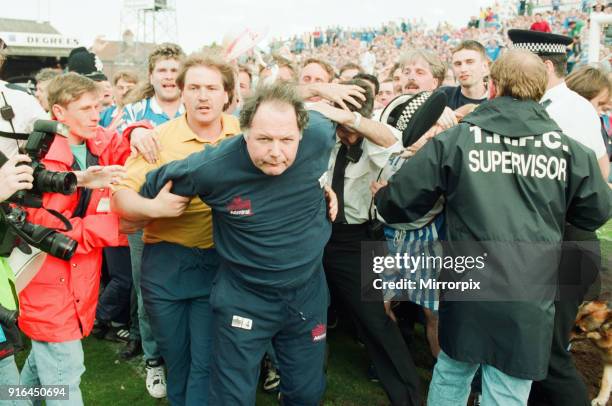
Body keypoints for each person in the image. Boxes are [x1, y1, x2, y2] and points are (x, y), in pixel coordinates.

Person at [374, 49, 611, 406]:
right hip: (530, 288)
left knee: (454, 371)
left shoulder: (456, 140)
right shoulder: (568, 150)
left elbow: (400, 202)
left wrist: (383, 197)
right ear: (539, 89)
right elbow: (596, 212)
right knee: (507, 387)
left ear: (494, 86)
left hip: (469, 282)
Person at [138, 82, 337, 406]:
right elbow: (149, 186)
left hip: (306, 294)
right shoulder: (211, 167)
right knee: (232, 397)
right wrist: (151, 207)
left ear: (301, 133)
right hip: (245, 298)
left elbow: (330, 124)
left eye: (287, 140)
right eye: (264, 139)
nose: (276, 151)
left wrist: (325, 188)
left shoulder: (318, 134)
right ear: (244, 132)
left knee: (307, 392)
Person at [111, 52, 240, 405]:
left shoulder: (243, 136)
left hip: (219, 263)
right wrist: (155, 208)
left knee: (205, 360)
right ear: (181, 93)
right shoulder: (157, 138)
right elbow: (120, 200)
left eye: (212, 88)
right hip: (166, 264)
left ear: (227, 94)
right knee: (177, 360)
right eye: (194, 87)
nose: (203, 96)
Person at [17, 72, 139, 406]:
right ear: (58, 112)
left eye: (98, 106)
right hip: (48, 280)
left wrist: (139, 130)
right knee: (65, 377)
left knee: (45, 367)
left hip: (76, 280)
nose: (95, 114)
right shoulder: (40, 159)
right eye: (85, 108)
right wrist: (115, 227)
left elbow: (126, 139)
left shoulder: (97, 142)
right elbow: (40, 226)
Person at [508, 29, 611, 406]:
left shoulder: (568, 110)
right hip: (546, 243)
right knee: (539, 348)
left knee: (549, 353)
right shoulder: (553, 107)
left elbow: (592, 186)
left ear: (545, 66)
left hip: (563, 241)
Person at [313, 79, 422, 405]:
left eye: (351, 122)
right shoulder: (322, 136)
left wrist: (351, 120)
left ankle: (408, 397)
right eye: (339, 121)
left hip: (358, 240)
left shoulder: (376, 139)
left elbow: (393, 143)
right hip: (316, 234)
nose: (344, 134)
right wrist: (327, 106)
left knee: (377, 322)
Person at [114, 42, 185, 397]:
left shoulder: (197, 107)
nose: (170, 77)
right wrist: (133, 131)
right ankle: (155, 361)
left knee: (196, 289)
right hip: (145, 215)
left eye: (175, 70)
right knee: (148, 291)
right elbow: (111, 143)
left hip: (193, 215)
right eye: (163, 70)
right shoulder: (133, 110)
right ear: (152, 75)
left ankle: (184, 359)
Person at [440, 40, 489, 110]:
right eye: (458, 64)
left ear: (485, 66)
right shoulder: (443, 96)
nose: (463, 69)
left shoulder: (499, 100)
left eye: (470, 62)